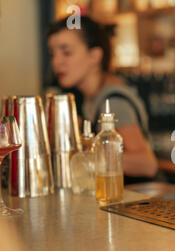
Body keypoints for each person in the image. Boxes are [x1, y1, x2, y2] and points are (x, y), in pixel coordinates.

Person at [47, 16, 158, 183]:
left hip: (134, 202)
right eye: (53, 53)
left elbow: (147, 164)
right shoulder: (88, 98)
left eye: (66, 52)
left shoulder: (113, 102)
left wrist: (87, 157)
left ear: (95, 55)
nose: (56, 62)